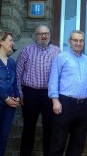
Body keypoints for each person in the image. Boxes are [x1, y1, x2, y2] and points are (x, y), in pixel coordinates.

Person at [48, 30, 87, 156]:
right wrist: (55, 100)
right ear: (69, 41)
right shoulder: (61, 57)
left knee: (78, 143)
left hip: (84, 105)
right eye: (75, 40)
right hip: (64, 103)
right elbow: (53, 79)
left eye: (81, 40)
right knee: (58, 141)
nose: (78, 43)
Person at [16, 25, 61, 156]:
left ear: (50, 35)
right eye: (41, 34)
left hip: (49, 95)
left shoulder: (57, 51)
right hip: (30, 94)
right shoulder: (27, 51)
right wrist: (19, 92)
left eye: (46, 33)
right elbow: (18, 73)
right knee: (28, 128)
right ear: (36, 36)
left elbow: (62, 74)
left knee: (50, 128)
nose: (44, 36)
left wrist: (58, 96)